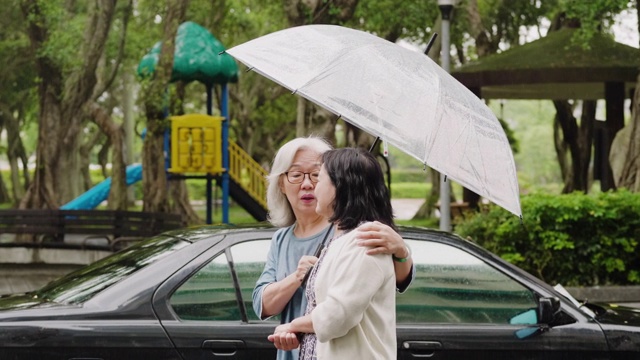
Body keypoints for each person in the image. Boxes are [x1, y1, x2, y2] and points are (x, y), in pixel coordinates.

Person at [253, 136, 413, 360]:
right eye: (297, 175)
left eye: (318, 176)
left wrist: (402, 251)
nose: (310, 185)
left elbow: (337, 314)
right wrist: (297, 278)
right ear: (281, 183)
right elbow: (262, 303)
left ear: (342, 185)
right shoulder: (286, 239)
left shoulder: (362, 239)